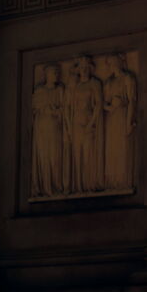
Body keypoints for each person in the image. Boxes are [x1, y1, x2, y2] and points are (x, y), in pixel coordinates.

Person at [64, 56, 104, 193]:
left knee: (88, 155)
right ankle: (78, 186)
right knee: (77, 156)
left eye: (86, 67)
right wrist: (69, 127)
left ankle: (89, 186)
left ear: (90, 69)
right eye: (81, 68)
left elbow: (98, 105)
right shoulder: (75, 86)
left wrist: (91, 123)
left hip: (88, 121)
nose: (84, 70)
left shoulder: (95, 83)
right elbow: (68, 108)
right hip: (76, 123)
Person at [103, 52, 137, 190]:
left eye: (112, 63)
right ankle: (112, 182)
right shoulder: (109, 83)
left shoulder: (128, 78)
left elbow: (132, 101)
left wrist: (129, 123)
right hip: (112, 118)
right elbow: (103, 104)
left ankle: (123, 181)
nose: (111, 66)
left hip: (123, 116)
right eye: (109, 64)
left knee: (122, 148)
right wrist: (111, 107)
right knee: (112, 148)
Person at [31, 64, 64, 197]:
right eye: (53, 73)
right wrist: (45, 110)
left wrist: (56, 111)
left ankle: (56, 185)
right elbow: (34, 109)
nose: (56, 75)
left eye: (57, 72)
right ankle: (46, 186)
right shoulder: (39, 91)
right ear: (46, 75)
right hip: (43, 128)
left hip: (55, 127)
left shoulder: (60, 90)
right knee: (44, 157)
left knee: (55, 156)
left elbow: (66, 108)